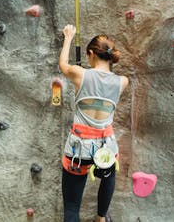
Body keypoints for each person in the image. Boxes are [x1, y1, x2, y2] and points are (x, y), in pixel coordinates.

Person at [59, 24, 129, 222]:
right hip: (105, 147)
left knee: (72, 208)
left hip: (79, 150)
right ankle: (100, 217)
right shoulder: (122, 81)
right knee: (109, 174)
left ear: (91, 54)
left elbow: (63, 65)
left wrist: (68, 37)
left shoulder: (80, 74)